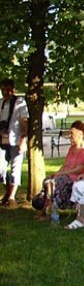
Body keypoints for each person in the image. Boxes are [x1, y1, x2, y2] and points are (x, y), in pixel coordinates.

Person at [39, 121, 84, 218]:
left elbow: (78, 169)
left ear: (80, 134)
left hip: (76, 178)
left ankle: (48, 211)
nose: (70, 136)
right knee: (47, 180)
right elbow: (65, 164)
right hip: (66, 176)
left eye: (72, 134)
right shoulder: (72, 148)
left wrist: (62, 174)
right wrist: (58, 173)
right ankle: (46, 208)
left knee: (52, 183)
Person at [0, 78, 28, 206]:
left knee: (15, 168)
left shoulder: (20, 102)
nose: (5, 92)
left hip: (16, 140)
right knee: (1, 168)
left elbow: (24, 121)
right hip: (2, 140)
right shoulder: (1, 103)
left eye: (7, 89)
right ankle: (7, 192)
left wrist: (23, 139)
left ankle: (11, 197)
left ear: (13, 90)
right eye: (3, 89)